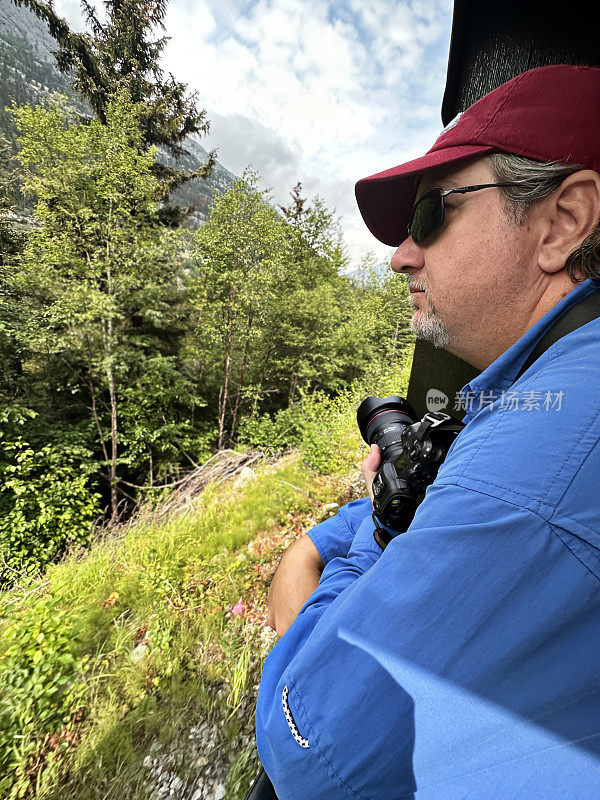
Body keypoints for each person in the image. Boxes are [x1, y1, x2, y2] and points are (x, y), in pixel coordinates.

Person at [256, 65, 600, 799]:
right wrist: (340, 529)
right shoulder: (550, 382)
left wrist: (370, 537)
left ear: (562, 222)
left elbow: (314, 748)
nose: (400, 255)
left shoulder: (544, 449)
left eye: (429, 217)